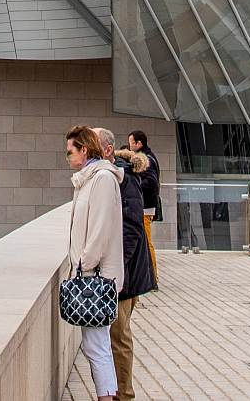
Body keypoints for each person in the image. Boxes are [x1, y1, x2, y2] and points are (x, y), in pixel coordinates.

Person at [64, 125, 122, 401]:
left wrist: (83, 267)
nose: (68, 158)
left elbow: (100, 230)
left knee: (96, 347)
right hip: (92, 275)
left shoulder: (102, 179)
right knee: (97, 346)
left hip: (96, 278)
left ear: (84, 150)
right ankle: (107, 396)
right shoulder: (90, 178)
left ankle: (107, 397)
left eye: (70, 152)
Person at [101, 130, 158, 401]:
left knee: (119, 336)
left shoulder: (125, 179)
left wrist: (115, 268)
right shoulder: (113, 176)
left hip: (125, 275)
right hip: (122, 273)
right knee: (114, 336)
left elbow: (133, 228)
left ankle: (124, 395)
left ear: (108, 151)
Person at [126, 130, 161, 281]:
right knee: (145, 241)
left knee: (147, 242)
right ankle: (150, 276)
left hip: (146, 206)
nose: (130, 146)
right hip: (146, 205)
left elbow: (152, 182)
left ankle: (153, 277)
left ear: (138, 144)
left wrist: (135, 186)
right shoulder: (147, 156)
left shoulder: (145, 158)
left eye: (131, 143)